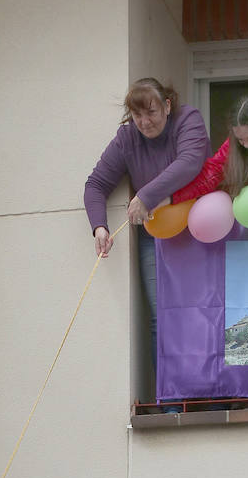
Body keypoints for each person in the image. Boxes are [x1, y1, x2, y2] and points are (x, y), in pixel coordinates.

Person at [84, 78, 208, 377]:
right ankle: (170, 395)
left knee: (205, 310)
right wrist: (99, 226)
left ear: (167, 105)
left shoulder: (187, 119)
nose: (144, 121)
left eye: (151, 112)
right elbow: (96, 185)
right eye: (137, 115)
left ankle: (212, 392)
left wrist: (145, 196)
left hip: (200, 231)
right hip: (154, 239)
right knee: (161, 316)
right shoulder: (127, 138)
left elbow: (190, 161)